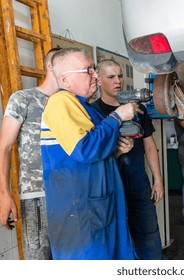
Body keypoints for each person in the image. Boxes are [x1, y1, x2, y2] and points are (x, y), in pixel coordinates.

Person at [40, 48, 138, 259]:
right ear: (65, 79)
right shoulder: (60, 103)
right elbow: (84, 149)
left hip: (99, 210)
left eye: (94, 69)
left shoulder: (86, 108)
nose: (95, 75)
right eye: (88, 70)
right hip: (80, 217)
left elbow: (98, 152)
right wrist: (117, 117)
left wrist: (117, 151)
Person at [91, 59, 164, 259]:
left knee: (149, 239)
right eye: (111, 77)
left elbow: (150, 144)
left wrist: (157, 179)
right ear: (99, 80)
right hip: (111, 189)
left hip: (139, 185)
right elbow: (91, 154)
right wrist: (117, 152)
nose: (118, 81)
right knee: (117, 244)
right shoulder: (92, 112)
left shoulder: (137, 109)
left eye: (120, 76)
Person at [0, 47, 61, 259]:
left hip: (68, 194)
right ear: (50, 66)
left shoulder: (70, 104)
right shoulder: (23, 99)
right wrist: (4, 194)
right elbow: (4, 147)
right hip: (36, 197)